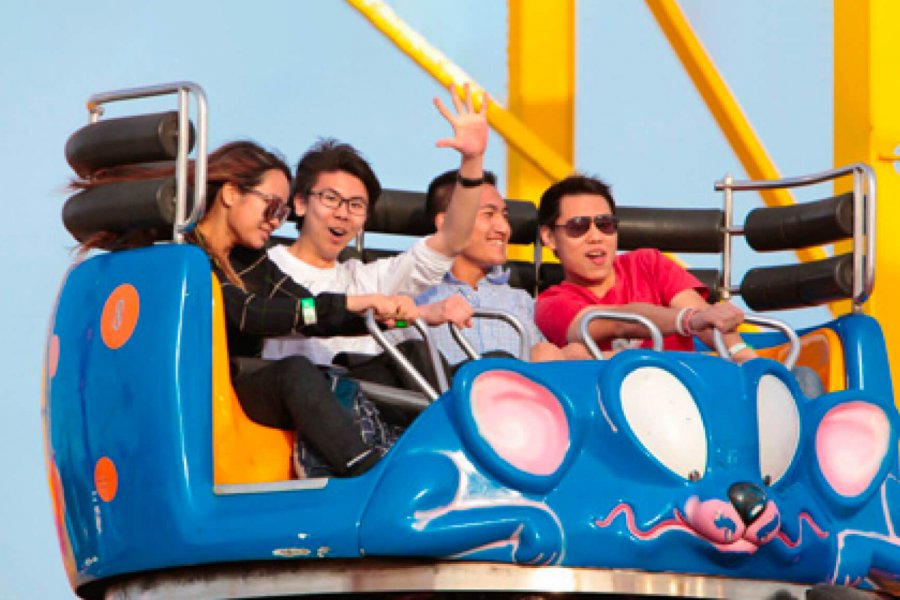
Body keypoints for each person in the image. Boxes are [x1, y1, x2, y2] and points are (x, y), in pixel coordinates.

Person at [77, 141, 423, 477]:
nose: (276, 222)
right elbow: (249, 313)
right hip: (217, 388)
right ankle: (365, 471)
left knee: (401, 358)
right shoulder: (189, 257)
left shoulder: (251, 261)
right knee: (295, 372)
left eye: (283, 213)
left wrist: (386, 316)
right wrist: (354, 302)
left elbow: (306, 309)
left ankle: (447, 449)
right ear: (230, 194)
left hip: (248, 384)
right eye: (271, 207)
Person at [264, 84, 488, 385]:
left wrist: (472, 162)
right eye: (331, 198)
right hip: (302, 399)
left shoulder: (369, 279)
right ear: (301, 203)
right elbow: (274, 314)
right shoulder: (267, 266)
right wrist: (364, 306)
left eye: (356, 205)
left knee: (495, 367)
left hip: (372, 408)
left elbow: (451, 241)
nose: (342, 213)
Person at [535, 174, 757, 360]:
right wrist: (688, 320)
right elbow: (617, 322)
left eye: (605, 225)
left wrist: (742, 354)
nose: (596, 237)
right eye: (578, 227)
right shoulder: (550, 304)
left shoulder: (648, 263)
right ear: (550, 237)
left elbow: (706, 318)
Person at [417, 169, 589, 365]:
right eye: (488, 214)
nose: (504, 228)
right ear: (447, 222)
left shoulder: (522, 303)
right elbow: (390, 331)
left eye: (504, 216)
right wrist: (416, 315)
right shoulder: (413, 293)